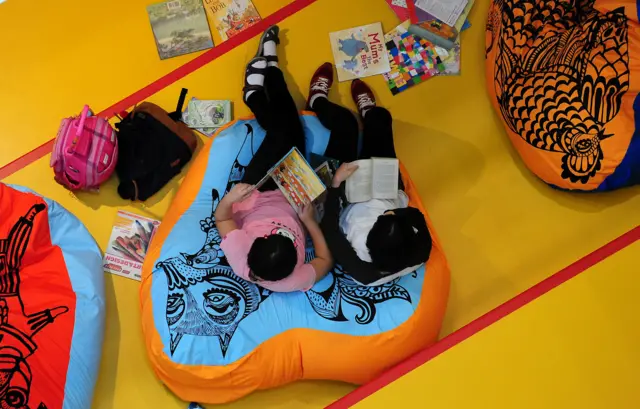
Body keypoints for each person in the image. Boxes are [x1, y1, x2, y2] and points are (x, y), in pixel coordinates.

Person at [216, 26, 333, 293]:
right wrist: (310, 223)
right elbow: (325, 260)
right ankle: (259, 88)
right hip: (294, 195)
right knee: (292, 130)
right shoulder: (294, 280)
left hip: (255, 192)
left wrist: (231, 199)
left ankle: (264, 79)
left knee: (283, 131)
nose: (275, 230)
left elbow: (222, 220)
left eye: (267, 235)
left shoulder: (239, 258)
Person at [306, 62, 432, 286]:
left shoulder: (360, 268)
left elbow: (329, 228)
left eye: (382, 219)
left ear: (368, 246)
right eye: (391, 216)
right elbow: (416, 216)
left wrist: (336, 184)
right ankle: (369, 114)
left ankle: (317, 101)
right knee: (380, 119)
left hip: (344, 201)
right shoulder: (419, 251)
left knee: (346, 125)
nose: (387, 214)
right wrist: (392, 209)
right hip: (386, 190)